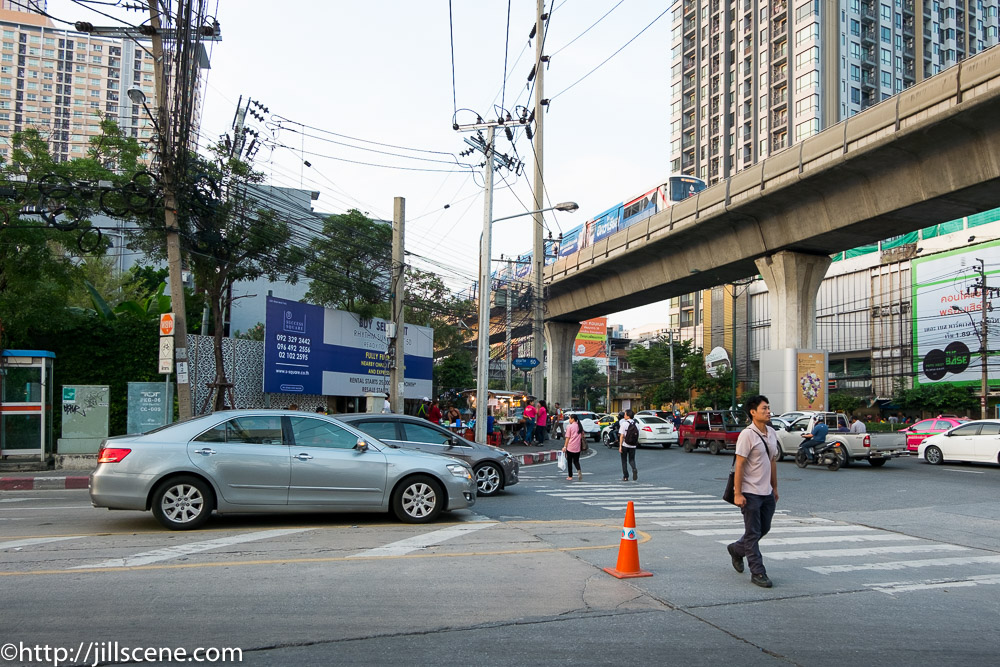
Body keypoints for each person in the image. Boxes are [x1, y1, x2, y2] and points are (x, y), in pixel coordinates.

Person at [726, 394, 779, 589]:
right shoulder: (747, 435)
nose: (767, 411)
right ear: (753, 412)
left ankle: (736, 549)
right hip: (750, 492)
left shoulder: (772, 433)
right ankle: (758, 571)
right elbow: (739, 465)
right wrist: (738, 493)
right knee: (753, 532)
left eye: (768, 407)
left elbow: (772, 461)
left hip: (767, 492)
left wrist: (775, 487)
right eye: (764, 408)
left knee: (762, 529)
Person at [618, 409, 638, 481]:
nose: (624, 416)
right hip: (633, 445)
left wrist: (620, 446)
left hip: (625, 444)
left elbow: (621, 436)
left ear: (628, 416)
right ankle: (634, 468)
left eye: (625, 414)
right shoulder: (636, 424)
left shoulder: (624, 424)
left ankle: (625, 476)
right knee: (632, 460)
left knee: (624, 461)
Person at [563, 413, 584, 481]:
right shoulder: (579, 426)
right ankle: (579, 471)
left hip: (570, 447)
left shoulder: (569, 427)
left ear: (573, 419)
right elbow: (582, 436)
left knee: (569, 461)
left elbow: (567, 438)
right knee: (576, 461)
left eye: (570, 418)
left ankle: (570, 476)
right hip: (577, 447)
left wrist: (565, 447)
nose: (569, 420)